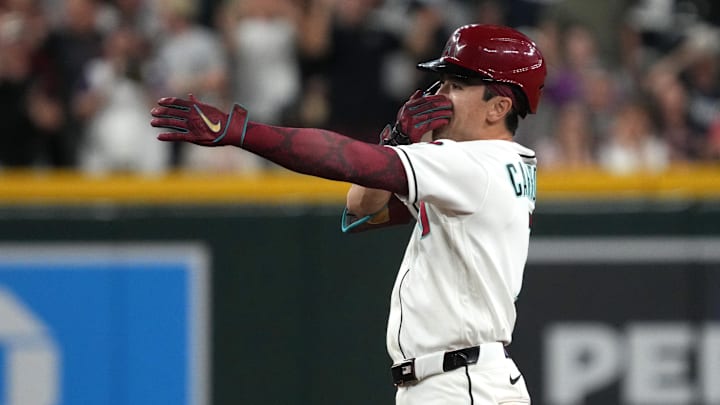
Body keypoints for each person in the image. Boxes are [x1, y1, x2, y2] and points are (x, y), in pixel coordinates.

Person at [151, 23, 546, 405]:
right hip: (460, 380)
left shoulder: (473, 164)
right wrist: (399, 142)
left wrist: (242, 132)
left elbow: (351, 161)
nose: (439, 96)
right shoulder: (491, 164)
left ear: (499, 107)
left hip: (462, 384)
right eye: (441, 83)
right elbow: (362, 207)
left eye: (457, 87)